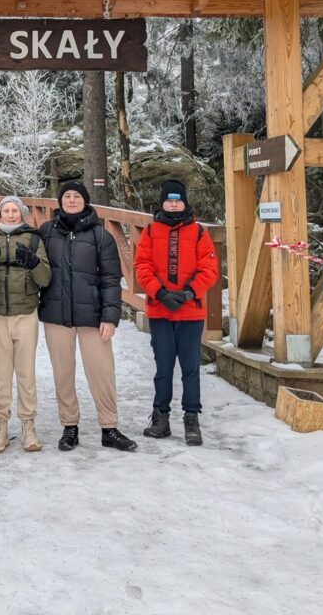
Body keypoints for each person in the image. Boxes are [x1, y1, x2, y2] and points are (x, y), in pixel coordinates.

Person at [38, 181, 137, 454]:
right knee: (63, 373)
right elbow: (35, 269)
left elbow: (111, 279)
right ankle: (69, 426)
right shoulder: (46, 232)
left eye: (76, 196)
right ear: (60, 201)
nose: (71, 200)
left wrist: (110, 316)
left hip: (93, 316)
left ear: (85, 200)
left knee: (102, 371)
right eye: (67, 196)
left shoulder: (101, 236)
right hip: (56, 315)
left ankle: (109, 427)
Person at [134, 179, 219, 446]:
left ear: (184, 203)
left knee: (190, 368)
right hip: (160, 310)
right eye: (169, 201)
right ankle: (160, 418)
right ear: (162, 203)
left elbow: (209, 269)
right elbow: (142, 265)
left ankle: (191, 418)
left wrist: (188, 293)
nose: (173, 205)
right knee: (163, 367)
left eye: (178, 200)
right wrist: (160, 293)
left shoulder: (198, 232)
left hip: (190, 312)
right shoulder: (150, 231)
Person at [0, 195, 51, 453]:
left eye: (14, 211)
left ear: (22, 213)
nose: (10, 215)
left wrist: (34, 263)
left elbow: (45, 278)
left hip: (25, 313)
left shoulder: (34, 239)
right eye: (5, 211)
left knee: (26, 372)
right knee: (1, 373)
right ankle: (1, 424)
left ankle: (28, 423)